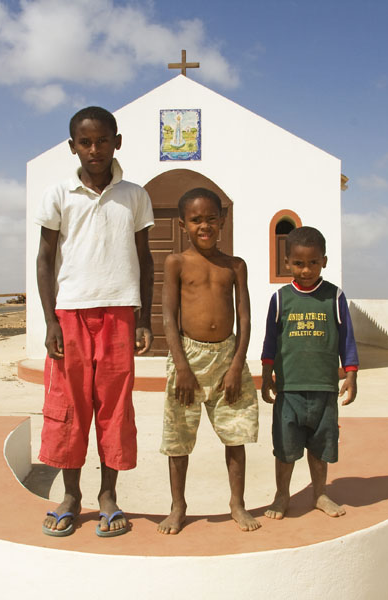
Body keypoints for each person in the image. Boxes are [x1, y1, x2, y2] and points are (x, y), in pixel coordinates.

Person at [35, 106, 154, 538]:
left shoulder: (135, 195)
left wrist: (143, 317)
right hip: (70, 314)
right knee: (70, 406)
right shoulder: (59, 194)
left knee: (114, 407)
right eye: (85, 142)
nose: (95, 149)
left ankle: (108, 496)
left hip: (120, 312)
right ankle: (70, 496)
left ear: (116, 142)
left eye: (103, 140)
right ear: (72, 147)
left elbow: (145, 260)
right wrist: (50, 322)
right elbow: (45, 261)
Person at [157, 187, 261, 534]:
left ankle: (237, 503)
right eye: (196, 220)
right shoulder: (176, 263)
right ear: (182, 223)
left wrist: (235, 365)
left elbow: (244, 317)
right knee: (179, 438)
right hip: (188, 358)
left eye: (211, 219)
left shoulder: (235, 265)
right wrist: (182, 366)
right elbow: (168, 316)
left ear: (223, 220)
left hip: (227, 358)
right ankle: (178, 506)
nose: (205, 226)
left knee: (236, 435)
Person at [260, 225, 359, 520]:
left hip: (324, 389)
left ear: (324, 261)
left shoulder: (334, 297)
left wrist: (351, 375)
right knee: (285, 448)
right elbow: (270, 341)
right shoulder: (280, 299)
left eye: (313, 263)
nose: (306, 270)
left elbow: (347, 339)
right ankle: (281, 495)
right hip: (288, 390)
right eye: (299, 263)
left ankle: (320, 494)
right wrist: (267, 375)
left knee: (320, 446)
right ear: (288, 262)